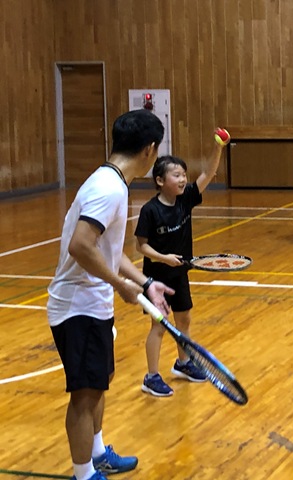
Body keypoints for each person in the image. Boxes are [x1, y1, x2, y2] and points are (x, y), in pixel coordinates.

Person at [47, 109, 176, 480]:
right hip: (78, 307)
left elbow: (109, 250)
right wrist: (120, 285)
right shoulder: (108, 189)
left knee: (98, 384)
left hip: (93, 304)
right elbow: (81, 246)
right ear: (149, 149)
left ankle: (98, 454)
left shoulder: (113, 182)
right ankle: (84, 474)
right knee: (85, 395)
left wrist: (144, 282)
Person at [134, 136, 225, 397]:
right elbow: (141, 247)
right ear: (160, 180)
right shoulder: (150, 210)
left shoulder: (186, 200)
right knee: (159, 326)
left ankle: (183, 363)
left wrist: (217, 147)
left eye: (184, 174)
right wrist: (164, 258)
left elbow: (208, 173)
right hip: (157, 278)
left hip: (180, 273)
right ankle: (151, 376)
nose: (183, 179)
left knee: (184, 319)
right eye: (177, 175)